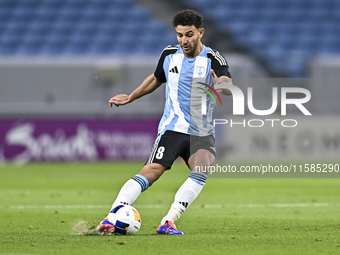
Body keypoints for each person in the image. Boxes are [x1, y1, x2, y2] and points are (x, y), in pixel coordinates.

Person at [96, 9, 232, 235]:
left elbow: (226, 83)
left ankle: (169, 220)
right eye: (179, 35)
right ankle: (113, 215)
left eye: (189, 35)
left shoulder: (212, 58)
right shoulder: (169, 54)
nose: (183, 40)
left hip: (201, 131)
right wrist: (131, 97)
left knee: (202, 170)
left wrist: (222, 85)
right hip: (173, 127)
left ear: (201, 33)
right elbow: (155, 78)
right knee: (153, 170)